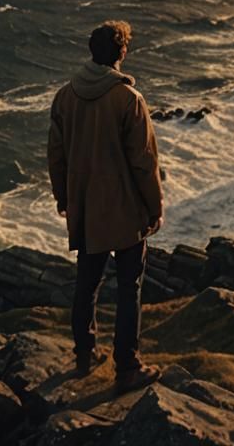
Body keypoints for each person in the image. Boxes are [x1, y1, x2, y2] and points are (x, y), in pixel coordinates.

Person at [47, 19, 164, 393]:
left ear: (91, 52)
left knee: (87, 283)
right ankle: (127, 367)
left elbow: (56, 156)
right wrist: (155, 207)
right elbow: (144, 161)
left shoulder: (65, 97)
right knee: (129, 288)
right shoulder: (128, 99)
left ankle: (84, 354)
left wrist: (64, 198)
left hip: (85, 207)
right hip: (125, 209)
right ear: (122, 52)